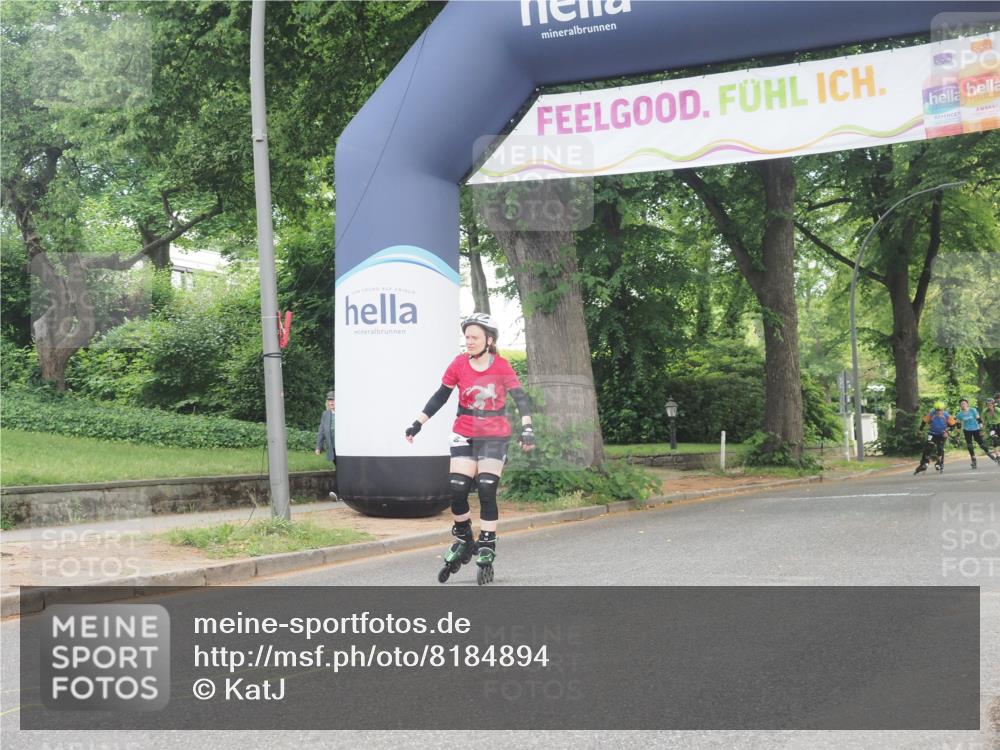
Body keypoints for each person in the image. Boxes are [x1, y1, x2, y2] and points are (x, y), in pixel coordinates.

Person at [404, 313, 535, 584]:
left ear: (489, 340)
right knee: (457, 489)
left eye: (474, 337)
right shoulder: (458, 364)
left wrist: (527, 428)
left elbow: (520, 398)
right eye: (466, 337)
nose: (469, 342)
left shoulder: (501, 366)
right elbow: (441, 395)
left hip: (494, 436)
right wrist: (418, 423)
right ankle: (464, 536)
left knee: (486, 488)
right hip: (464, 434)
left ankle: (487, 543)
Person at [914, 401, 957, 474]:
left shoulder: (946, 415)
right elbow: (924, 421)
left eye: (940, 410)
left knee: (940, 448)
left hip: (942, 434)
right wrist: (920, 430)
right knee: (928, 447)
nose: (939, 412)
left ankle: (939, 463)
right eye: (937, 410)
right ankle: (924, 464)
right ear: (935, 409)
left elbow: (953, 425)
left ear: (943, 410)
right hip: (932, 434)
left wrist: (947, 432)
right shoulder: (931, 414)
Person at [955, 398, 997, 469]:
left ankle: (989, 454)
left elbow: (979, 419)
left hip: (976, 429)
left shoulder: (973, 410)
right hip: (967, 430)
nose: (963, 405)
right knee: (969, 446)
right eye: (962, 404)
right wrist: (958, 435)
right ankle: (973, 460)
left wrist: (981, 429)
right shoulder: (959, 414)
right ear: (960, 406)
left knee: (981, 444)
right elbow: (959, 425)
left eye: (964, 403)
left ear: (967, 404)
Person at [315, 390, 338, 500]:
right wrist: (318, 447)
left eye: (333, 400)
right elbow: (321, 431)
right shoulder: (325, 414)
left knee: (341, 469)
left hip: (342, 447)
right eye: (329, 400)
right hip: (332, 448)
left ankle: (336, 491)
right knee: (340, 469)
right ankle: (338, 492)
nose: (331, 402)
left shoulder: (345, 413)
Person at [980, 397, 1000, 462]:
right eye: (988, 405)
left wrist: (993, 411)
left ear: (993, 404)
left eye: (991, 404)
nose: (989, 406)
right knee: (995, 441)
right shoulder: (985, 411)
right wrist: (983, 429)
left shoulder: (997, 409)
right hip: (992, 427)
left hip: (999, 425)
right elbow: (983, 421)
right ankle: (997, 456)